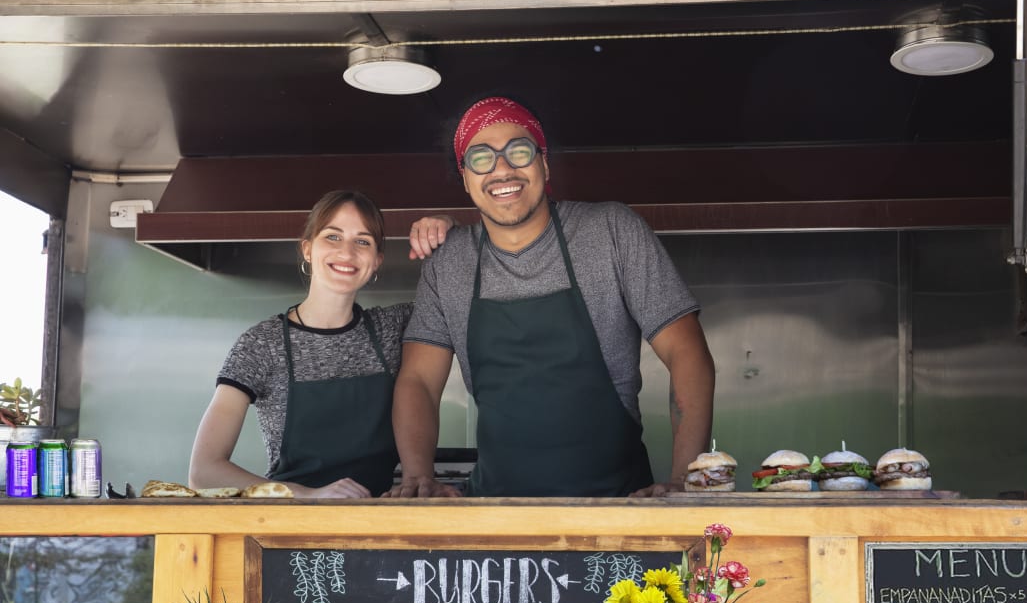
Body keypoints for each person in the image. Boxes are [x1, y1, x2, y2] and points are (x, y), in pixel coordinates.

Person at [390, 96, 715, 498]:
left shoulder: (611, 231)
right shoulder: (448, 261)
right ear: (465, 177)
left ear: (544, 164)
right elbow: (419, 379)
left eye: (519, 151)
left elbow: (688, 353)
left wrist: (686, 480)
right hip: (497, 513)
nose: (502, 169)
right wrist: (417, 475)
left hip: (617, 508)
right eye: (481, 158)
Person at [189, 190, 447, 499]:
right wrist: (306, 495)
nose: (347, 252)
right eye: (333, 237)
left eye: (362, 241)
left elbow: (455, 292)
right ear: (308, 249)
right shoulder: (263, 344)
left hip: (379, 520)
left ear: (377, 260)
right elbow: (204, 472)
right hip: (291, 531)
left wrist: (446, 224)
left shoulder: (394, 327)